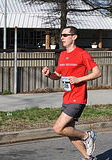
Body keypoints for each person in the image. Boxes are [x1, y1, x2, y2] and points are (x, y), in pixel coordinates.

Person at [42, 26, 101, 160]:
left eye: (65, 35)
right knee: (69, 132)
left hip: (78, 97)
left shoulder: (82, 54)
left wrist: (79, 79)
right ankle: (88, 158)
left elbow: (97, 72)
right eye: (61, 35)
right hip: (67, 97)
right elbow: (57, 74)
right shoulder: (62, 55)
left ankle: (87, 136)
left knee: (58, 128)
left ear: (74, 37)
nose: (62, 37)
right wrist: (49, 74)